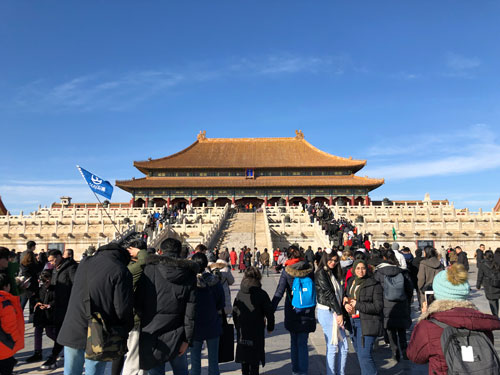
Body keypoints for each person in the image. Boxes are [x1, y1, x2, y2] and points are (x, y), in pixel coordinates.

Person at [407, 264, 500, 375]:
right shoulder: (480, 322)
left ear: (437, 293)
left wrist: (423, 317)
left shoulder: (428, 326)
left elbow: (415, 356)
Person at [57, 242, 134, 375]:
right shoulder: (120, 270)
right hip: (99, 331)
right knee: (94, 371)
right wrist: (126, 327)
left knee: (70, 371)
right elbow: (122, 308)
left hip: (73, 325)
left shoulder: (84, 263)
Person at [137, 238, 198, 375]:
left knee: (155, 371)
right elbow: (191, 311)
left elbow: (139, 302)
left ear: (161, 251)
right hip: (178, 334)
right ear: (180, 252)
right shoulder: (189, 274)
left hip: (151, 332)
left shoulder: (148, 270)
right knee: (181, 371)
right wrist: (187, 339)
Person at [272, 246, 316, 375]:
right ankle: (303, 371)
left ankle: (295, 370)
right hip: (307, 310)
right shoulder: (309, 269)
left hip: (292, 310)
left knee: (294, 342)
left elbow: (279, 292)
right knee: (303, 342)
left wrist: (270, 310)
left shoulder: (287, 271)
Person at [112, 239, 148, 375]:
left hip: (134, 315)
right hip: (133, 317)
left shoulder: (125, 266)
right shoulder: (131, 269)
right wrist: (141, 252)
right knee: (133, 355)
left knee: (137, 354)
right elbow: (144, 261)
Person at [39, 249, 78, 370]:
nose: (51, 263)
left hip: (67, 306)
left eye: (52, 260)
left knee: (61, 331)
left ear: (59, 256)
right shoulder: (55, 269)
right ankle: (60, 352)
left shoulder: (70, 268)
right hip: (57, 305)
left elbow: (76, 286)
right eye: (49, 261)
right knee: (56, 331)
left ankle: (54, 356)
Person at [233, 267, 275, 375]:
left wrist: (237, 326)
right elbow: (269, 313)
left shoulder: (240, 293)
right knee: (255, 358)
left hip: (243, 329)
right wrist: (270, 327)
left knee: (244, 357)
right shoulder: (262, 294)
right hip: (257, 330)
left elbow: (234, 312)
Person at [344, 259, 383, 375]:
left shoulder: (374, 284)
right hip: (352, 322)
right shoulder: (351, 281)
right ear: (353, 270)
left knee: (365, 355)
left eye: (363, 268)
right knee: (360, 355)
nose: (361, 271)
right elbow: (347, 296)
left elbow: (378, 307)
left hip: (367, 323)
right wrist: (346, 303)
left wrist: (358, 304)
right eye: (358, 268)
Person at [373, 250, 413, 362]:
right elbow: (409, 288)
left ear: (384, 258)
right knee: (401, 329)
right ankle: (404, 349)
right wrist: (407, 301)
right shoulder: (402, 271)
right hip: (401, 302)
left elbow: (376, 290)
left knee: (390, 329)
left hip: (386, 304)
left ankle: (394, 351)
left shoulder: (379, 272)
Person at [190, 253, 225, 375]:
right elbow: (221, 303)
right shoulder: (215, 281)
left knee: (194, 363)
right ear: (206, 265)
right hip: (212, 323)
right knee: (214, 362)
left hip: (194, 325)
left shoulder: (189, 282)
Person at [315, 250, 348, 375]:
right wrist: (339, 313)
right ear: (325, 258)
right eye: (331, 260)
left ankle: (340, 372)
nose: (333, 263)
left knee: (344, 346)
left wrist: (344, 297)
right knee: (333, 345)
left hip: (335, 310)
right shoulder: (321, 273)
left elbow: (339, 290)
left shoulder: (332, 273)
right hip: (328, 311)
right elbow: (329, 294)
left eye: (335, 260)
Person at [25, 270, 57, 363]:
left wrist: (49, 305)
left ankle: (60, 345)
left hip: (49, 314)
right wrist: (37, 302)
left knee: (49, 332)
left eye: (47, 281)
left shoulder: (55, 288)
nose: (46, 283)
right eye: (44, 281)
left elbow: (57, 300)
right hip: (40, 313)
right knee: (38, 332)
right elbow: (33, 296)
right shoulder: (39, 288)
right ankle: (37, 352)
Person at [0, 273, 24, 375]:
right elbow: (10, 326)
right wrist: (11, 342)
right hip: (4, 347)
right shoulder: (5, 302)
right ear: (6, 286)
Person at [476, 250, 500, 316]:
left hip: (488, 285)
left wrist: (478, 285)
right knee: (496, 300)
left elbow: (480, 275)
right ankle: (496, 315)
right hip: (497, 284)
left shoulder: (482, 264)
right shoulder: (497, 262)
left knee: (492, 301)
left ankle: (495, 316)